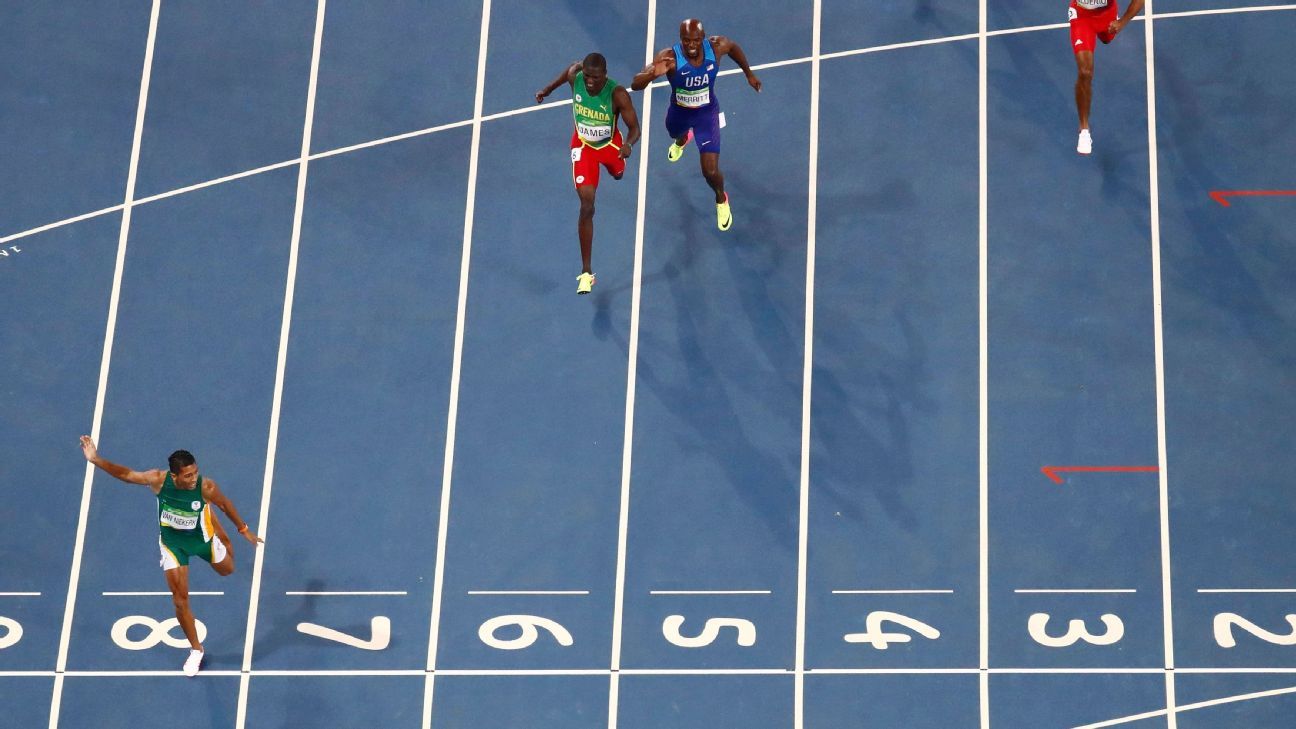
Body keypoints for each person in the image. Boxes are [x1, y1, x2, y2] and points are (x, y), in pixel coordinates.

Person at [79, 435, 262, 677]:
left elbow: (225, 504)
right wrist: (95, 459)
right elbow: (126, 474)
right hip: (173, 545)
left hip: (202, 541)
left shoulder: (206, 487)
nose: (193, 478)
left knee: (228, 570)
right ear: (174, 476)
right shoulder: (157, 480)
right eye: (188, 475)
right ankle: (196, 650)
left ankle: (212, 525)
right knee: (179, 599)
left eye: (195, 472)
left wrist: (243, 530)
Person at [632, 18, 760, 231]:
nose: (691, 45)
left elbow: (734, 48)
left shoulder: (717, 47)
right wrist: (649, 76)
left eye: (695, 40)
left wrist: (749, 74)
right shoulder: (670, 58)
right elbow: (636, 84)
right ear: (680, 39)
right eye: (686, 41)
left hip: (706, 115)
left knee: (710, 171)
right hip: (679, 113)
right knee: (675, 133)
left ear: (703, 38)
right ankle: (682, 139)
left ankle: (721, 199)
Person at [536, 52, 641, 295]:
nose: (590, 82)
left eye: (595, 78)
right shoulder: (577, 77)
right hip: (583, 147)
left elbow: (634, 127)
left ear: (605, 75)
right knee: (586, 206)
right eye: (588, 77)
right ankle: (586, 272)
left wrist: (628, 145)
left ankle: (614, 169)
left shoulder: (617, 94)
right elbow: (569, 72)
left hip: (610, 146)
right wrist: (548, 89)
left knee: (617, 174)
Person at [1070, 0, 1145, 155]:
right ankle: (1084, 129)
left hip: (1107, 15)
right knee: (1085, 72)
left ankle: (1106, 30)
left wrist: (1122, 22)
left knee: (1106, 39)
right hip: (1082, 18)